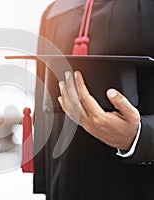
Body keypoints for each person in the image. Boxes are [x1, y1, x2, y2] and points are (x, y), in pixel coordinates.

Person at [33, 0, 154, 200]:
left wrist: (140, 137)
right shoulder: (55, 10)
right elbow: (44, 101)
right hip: (65, 181)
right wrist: (45, 183)